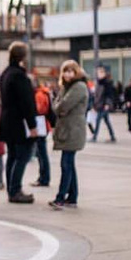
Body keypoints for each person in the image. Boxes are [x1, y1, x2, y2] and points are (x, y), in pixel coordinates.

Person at [0, 42, 38, 204]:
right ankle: (15, 190)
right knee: (22, 157)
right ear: (23, 56)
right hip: (19, 123)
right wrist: (32, 125)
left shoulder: (6, 73)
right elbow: (26, 103)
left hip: (7, 121)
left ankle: (11, 190)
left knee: (12, 157)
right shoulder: (19, 76)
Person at [50, 61, 89, 210]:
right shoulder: (66, 87)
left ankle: (60, 198)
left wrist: (59, 106)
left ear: (76, 72)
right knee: (69, 165)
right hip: (67, 130)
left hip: (73, 131)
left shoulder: (79, 87)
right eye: (65, 71)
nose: (67, 74)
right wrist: (59, 106)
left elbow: (61, 106)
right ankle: (72, 198)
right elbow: (56, 106)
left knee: (66, 164)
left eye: (70, 71)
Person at [31, 78, 54, 188]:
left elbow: (39, 110)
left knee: (41, 153)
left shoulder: (39, 94)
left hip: (41, 125)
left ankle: (44, 178)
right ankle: (43, 177)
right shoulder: (43, 92)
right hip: (44, 124)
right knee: (41, 152)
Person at [90, 66, 116, 143]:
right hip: (99, 104)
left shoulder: (107, 83)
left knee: (98, 120)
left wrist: (107, 104)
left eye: (101, 72)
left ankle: (94, 137)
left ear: (104, 73)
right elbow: (96, 95)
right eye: (98, 72)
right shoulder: (98, 82)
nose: (99, 74)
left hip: (104, 105)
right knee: (107, 121)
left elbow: (109, 94)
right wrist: (94, 105)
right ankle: (112, 136)